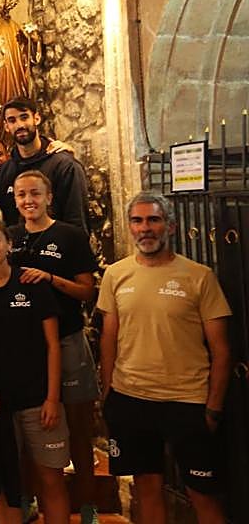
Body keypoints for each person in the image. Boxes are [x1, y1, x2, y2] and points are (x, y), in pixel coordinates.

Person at [98, 193, 232, 524]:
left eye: (153, 220)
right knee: (147, 488)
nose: (146, 228)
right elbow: (109, 337)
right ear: (130, 227)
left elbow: (222, 349)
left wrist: (213, 407)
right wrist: (108, 392)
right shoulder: (115, 275)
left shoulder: (199, 277)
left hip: (187, 401)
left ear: (169, 226)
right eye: (138, 221)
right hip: (131, 399)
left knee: (204, 495)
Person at [0, 220, 69, 524]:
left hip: (38, 400)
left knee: (50, 479)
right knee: (5, 485)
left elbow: (52, 345)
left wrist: (52, 397)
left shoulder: (31, 283)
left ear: (9, 244)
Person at [7, 169, 99, 523]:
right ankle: (28, 497)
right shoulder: (10, 237)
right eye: (21, 195)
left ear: (48, 197)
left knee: (78, 426)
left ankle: (87, 504)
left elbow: (87, 291)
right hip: (27, 347)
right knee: (32, 429)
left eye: (35, 194)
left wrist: (50, 278)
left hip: (67, 338)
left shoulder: (70, 236)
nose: (28, 201)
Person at [0, 98, 88, 230]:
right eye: (12, 120)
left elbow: (77, 221)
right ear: (6, 126)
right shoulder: (2, 174)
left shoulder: (65, 166)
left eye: (24, 117)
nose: (19, 125)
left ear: (36, 119)